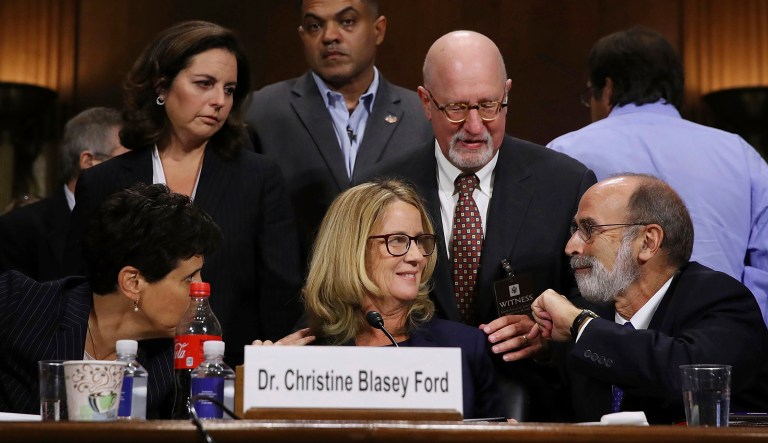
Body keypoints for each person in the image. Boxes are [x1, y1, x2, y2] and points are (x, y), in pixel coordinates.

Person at [365, 30, 595, 420]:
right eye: (456, 107)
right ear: (425, 102)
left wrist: (549, 334)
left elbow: (597, 298)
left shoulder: (566, 183)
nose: (474, 126)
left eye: (489, 105)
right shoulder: (376, 188)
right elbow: (344, 291)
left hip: (534, 405)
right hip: (409, 405)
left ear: (507, 93)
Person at [65, 21, 303, 366]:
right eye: (205, 84)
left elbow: (280, 296)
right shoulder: (104, 180)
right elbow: (74, 289)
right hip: (121, 370)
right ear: (161, 85)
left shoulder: (259, 177)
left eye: (230, 89)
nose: (219, 101)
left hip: (225, 373)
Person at [547, 26, 768, 325]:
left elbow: (552, 257)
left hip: (605, 348)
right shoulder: (741, 154)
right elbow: (763, 267)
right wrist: (742, 331)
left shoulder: (563, 153)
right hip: (722, 343)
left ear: (607, 88)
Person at [255, 179, 508, 420]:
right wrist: (260, 387)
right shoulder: (305, 357)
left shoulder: (464, 347)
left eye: (421, 241)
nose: (417, 256)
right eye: (397, 241)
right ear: (351, 250)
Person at [529, 174, 768, 424]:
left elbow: (685, 377)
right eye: (575, 229)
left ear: (647, 242)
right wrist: (544, 353)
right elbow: (567, 414)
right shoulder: (592, 315)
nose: (571, 246)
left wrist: (581, 324)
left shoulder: (722, 301)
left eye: (589, 229)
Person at [0, 183, 222, 418]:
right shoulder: (19, 303)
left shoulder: (176, 358)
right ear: (133, 282)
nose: (201, 290)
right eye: (189, 277)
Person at [243, 0, 433, 266]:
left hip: (401, 299)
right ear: (302, 35)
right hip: (296, 300)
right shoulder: (260, 114)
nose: (330, 36)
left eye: (347, 22)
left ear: (378, 30)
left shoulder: (422, 116)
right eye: (314, 26)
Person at [0, 107, 127, 280]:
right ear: (89, 161)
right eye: (126, 161)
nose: (135, 171)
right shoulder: (19, 228)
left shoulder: (134, 225)